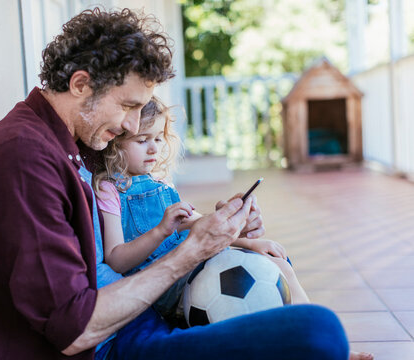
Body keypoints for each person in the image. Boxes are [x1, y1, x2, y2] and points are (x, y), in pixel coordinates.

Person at [0, 7, 369, 360]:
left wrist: (228, 232)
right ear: (80, 84)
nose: (132, 127)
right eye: (128, 106)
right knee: (319, 331)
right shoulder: (23, 159)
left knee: (273, 270)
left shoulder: (71, 144)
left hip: (139, 318)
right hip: (111, 344)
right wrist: (193, 250)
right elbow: (73, 329)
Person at [93, 96, 310, 321]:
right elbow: (115, 259)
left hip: (199, 263)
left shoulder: (159, 182)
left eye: (158, 139)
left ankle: (318, 337)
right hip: (167, 285)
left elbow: (199, 225)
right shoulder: (110, 190)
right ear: (116, 143)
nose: (153, 149)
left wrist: (249, 242)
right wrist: (160, 231)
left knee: (278, 264)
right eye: (142, 140)